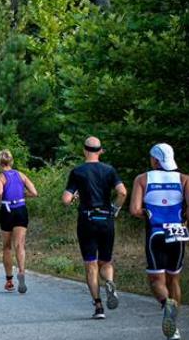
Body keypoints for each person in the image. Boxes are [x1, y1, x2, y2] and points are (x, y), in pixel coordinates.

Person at [129, 143, 189, 340]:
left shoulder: (142, 179)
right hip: (178, 232)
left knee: (156, 280)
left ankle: (165, 303)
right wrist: (183, 218)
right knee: (174, 278)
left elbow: (134, 210)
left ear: (154, 160)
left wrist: (151, 215)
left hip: (156, 233)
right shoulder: (184, 179)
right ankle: (174, 326)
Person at [62, 136, 128, 320]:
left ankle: (98, 307)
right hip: (106, 220)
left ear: (84, 150)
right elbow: (122, 192)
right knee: (105, 262)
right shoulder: (109, 170)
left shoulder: (78, 172)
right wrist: (115, 209)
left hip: (87, 220)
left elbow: (66, 200)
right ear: (100, 151)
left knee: (90, 264)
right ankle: (109, 281)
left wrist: (74, 196)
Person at [0, 149, 38, 294]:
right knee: (20, 245)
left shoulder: (0, 178)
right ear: (11, 162)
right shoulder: (21, 175)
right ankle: (22, 271)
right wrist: (23, 194)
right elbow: (34, 192)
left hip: (7, 211)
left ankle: (9, 281)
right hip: (21, 209)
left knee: (7, 247)